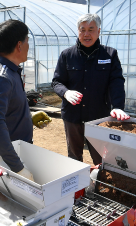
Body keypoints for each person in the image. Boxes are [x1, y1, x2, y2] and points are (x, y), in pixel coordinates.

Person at [52, 13, 129, 165]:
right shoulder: (67, 55)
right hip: (73, 117)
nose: (86, 34)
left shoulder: (110, 54)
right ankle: (77, 187)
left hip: (98, 118)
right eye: (82, 30)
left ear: (99, 31)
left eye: (91, 29)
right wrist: (66, 92)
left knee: (101, 158)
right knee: (74, 157)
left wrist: (118, 106)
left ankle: (100, 185)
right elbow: (56, 82)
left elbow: (116, 82)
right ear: (78, 31)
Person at [0, 19, 50, 182]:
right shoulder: (2, 77)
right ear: (19, 45)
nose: (28, 46)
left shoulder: (8, 71)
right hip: (7, 159)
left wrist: (25, 119)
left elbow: (4, 111)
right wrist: (18, 168)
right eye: (27, 41)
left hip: (11, 153)